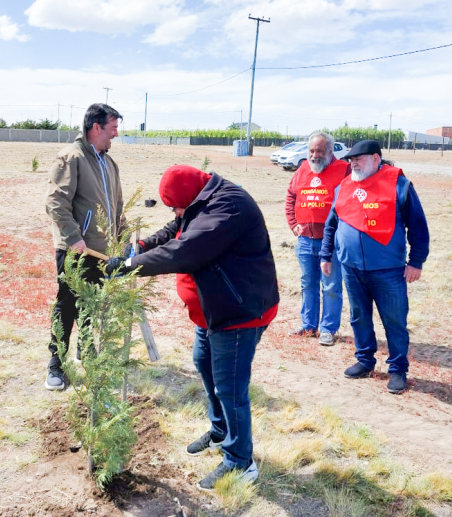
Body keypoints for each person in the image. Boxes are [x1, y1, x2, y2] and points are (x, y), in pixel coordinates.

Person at [105, 165, 279, 490]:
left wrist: (130, 266)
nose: (174, 212)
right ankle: (221, 431)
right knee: (203, 362)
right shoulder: (202, 198)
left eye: (175, 205)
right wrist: (142, 246)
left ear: (190, 196)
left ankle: (240, 463)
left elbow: (184, 250)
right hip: (213, 311)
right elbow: (176, 228)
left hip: (239, 312)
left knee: (230, 387)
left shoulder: (228, 207)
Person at [319, 140, 429, 394]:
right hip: (351, 268)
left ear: (377, 159)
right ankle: (365, 360)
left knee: (394, 321)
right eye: (351, 159)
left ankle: (398, 370)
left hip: (388, 270)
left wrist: (416, 262)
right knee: (358, 317)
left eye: (360, 158)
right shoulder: (344, 187)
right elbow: (331, 224)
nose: (353, 162)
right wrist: (326, 254)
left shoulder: (398, 185)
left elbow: (418, 226)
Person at [44, 103, 125, 391]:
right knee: (67, 306)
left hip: (102, 251)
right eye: (112, 128)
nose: (115, 135)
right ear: (96, 127)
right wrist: (72, 237)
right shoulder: (71, 158)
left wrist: (123, 241)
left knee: (93, 305)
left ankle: (87, 351)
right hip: (75, 250)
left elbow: (116, 208)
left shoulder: (108, 163)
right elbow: (56, 203)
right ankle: (56, 364)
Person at [284, 132, 350, 345]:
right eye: (311, 151)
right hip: (304, 240)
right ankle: (308, 325)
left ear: (330, 151)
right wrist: (293, 224)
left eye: (319, 151)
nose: (314, 155)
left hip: (329, 241)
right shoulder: (303, 169)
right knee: (307, 284)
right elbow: (290, 196)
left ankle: (328, 329)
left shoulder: (344, 170)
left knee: (330, 286)